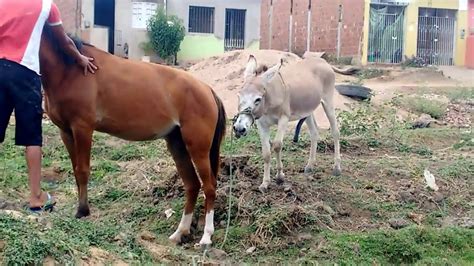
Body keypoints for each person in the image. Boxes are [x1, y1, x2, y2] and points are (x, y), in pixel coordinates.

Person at [0, 0, 97, 212]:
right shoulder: (46, 6)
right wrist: (80, 58)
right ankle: (36, 198)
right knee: (32, 138)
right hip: (25, 74)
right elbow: (64, 42)